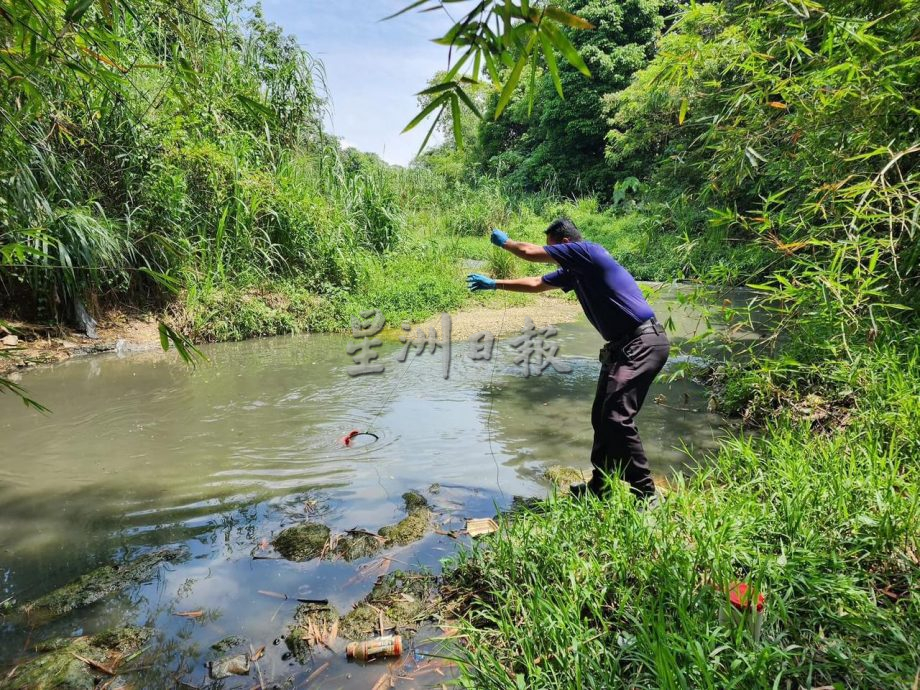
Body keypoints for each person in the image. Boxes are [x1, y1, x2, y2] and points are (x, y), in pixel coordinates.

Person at [466, 219, 669, 504]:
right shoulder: (575, 272)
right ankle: (601, 486)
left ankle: (646, 493)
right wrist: (495, 285)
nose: (553, 256)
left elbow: (528, 252)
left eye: (553, 249)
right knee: (601, 416)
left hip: (643, 342)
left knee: (616, 417)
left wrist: (505, 242)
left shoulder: (588, 252)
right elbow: (537, 283)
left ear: (565, 244)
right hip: (622, 347)